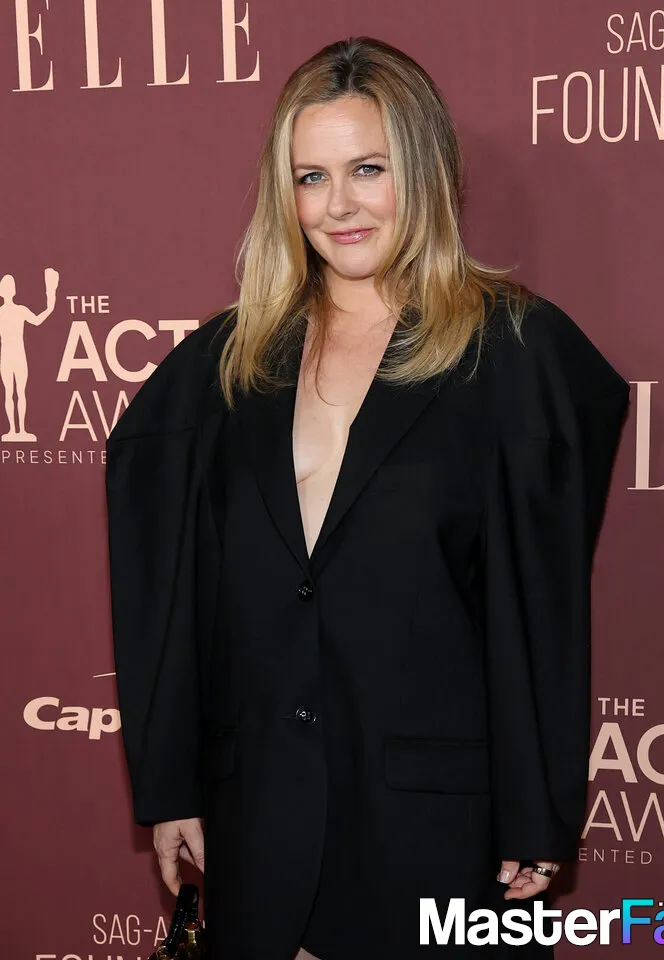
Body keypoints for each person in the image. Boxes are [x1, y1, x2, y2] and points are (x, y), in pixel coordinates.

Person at [105, 36, 630, 960]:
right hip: (258, 815)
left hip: (439, 829)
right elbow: (170, 586)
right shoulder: (223, 364)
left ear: (424, 172)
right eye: (311, 177)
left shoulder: (517, 353)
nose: (338, 204)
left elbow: (539, 606)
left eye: (368, 169)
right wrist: (171, 779)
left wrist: (537, 808)